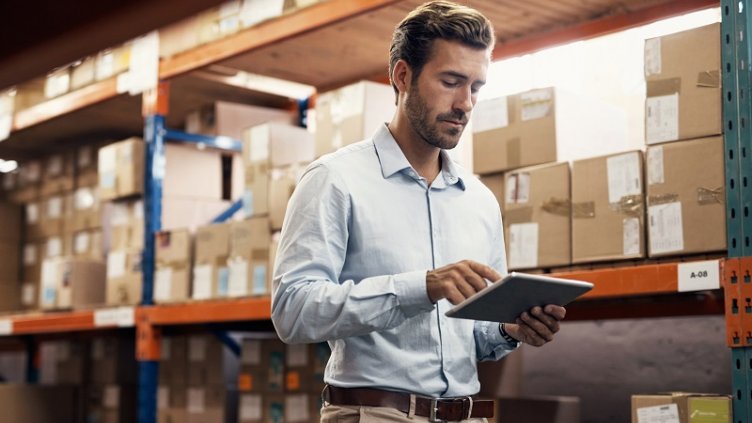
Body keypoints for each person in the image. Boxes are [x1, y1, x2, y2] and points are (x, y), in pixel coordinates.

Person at [271, 1, 566, 421]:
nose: (465, 103)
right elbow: (292, 311)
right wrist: (421, 287)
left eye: (476, 87)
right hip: (374, 415)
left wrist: (509, 330)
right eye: (451, 81)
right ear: (402, 76)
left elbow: (473, 334)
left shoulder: (478, 199)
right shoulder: (335, 179)